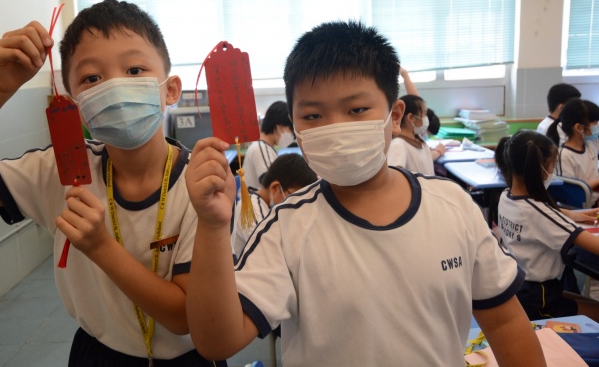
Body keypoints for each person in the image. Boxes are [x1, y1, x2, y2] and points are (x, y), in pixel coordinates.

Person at [184, 21, 545, 366]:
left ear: (395, 115)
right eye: (312, 116)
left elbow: (505, 323)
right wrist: (212, 227)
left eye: (356, 110)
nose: (336, 129)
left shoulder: (453, 206)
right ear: (294, 126)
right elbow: (217, 341)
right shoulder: (285, 229)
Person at [0, 0, 225, 366]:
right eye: (92, 78)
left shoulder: (203, 186)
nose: (115, 86)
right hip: (97, 355)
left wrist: (101, 247)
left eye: (134, 70)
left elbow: (184, 317)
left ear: (170, 89)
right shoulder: (59, 170)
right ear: (77, 105)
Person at [494, 130, 599, 321]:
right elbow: (593, 245)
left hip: (520, 287)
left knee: (587, 302)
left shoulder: (506, 196)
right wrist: (565, 217)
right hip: (539, 298)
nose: (552, 172)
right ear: (540, 169)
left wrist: (570, 214)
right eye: (552, 166)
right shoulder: (539, 213)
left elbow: (536, 217)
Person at [232, 153, 317, 258]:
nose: (298, 205)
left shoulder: (268, 204)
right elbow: (271, 250)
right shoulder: (251, 208)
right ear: (275, 188)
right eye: (295, 198)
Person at [547, 98, 599, 206]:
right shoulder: (564, 156)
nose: (597, 126)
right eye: (595, 123)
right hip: (577, 208)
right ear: (579, 127)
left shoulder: (590, 144)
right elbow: (572, 192)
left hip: (594, 204)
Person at [387, 94, 445, 175]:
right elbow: (394, 176)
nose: (426, 118)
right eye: (424, 114)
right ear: (411, 118)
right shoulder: (398, 145)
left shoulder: (417, 139)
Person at [242, 100, 293, 189]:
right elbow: (270, 182)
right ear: (279, 127)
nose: (292, 135)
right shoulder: (260, 148)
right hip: (255, 198)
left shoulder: (265, 148)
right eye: (290, 130)